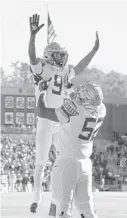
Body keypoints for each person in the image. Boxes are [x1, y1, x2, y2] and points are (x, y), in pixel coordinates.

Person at [28, 13, 100, 213]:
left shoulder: (66, 71)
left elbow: (81, 66)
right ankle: (36, 196)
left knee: (60, 162)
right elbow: (32, 57)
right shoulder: (42, 68)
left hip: (61, 120)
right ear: (50, 55)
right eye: (58, 54)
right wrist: (32, 36)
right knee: (41, 161)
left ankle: (55, 202)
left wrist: (93, 51)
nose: (62, 57)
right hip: (45, 119)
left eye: (63, 54)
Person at [38, 81, 106, 218]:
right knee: (87, 210)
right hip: (85, 164)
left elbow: (42, 111)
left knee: (62, 209)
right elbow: (82, 103)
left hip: (67, 162)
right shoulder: (101, 110)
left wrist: (42, 93)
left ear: (86, 98)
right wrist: (69, 89)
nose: (79, 93)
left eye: (82, 92)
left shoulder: (73, 109)